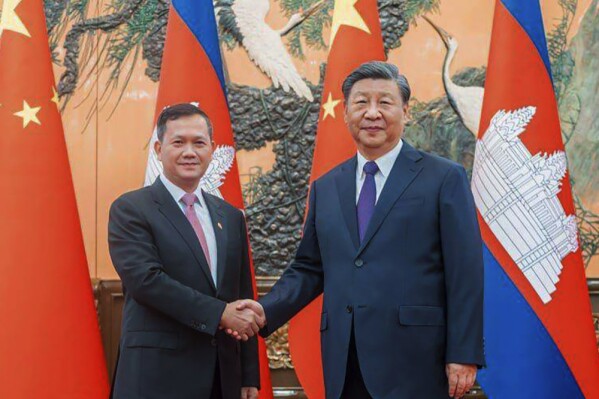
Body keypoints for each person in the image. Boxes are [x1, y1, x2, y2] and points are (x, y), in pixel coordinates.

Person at [235, 61, 485, 399]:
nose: (372, 113)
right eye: (361, 102)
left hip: (417, 359)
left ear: (405, 111)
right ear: (346, 113)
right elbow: (310, 267)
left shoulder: (443, 178)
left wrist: (463, 353)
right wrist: (267, 309)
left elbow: (465, 271)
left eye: (384, 102)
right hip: (345, 357)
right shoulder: (326, 186)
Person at [108, 103, 264, 399]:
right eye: (178, 142)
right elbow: (147, 282)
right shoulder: (131, 209)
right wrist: (220, 314)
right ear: (158, 147)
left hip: (222, 376)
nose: (189, 152)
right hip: (157, 375)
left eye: (199, 143)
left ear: (212, 149)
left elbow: (242, 294)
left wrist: (248, 374)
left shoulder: (230, 216)